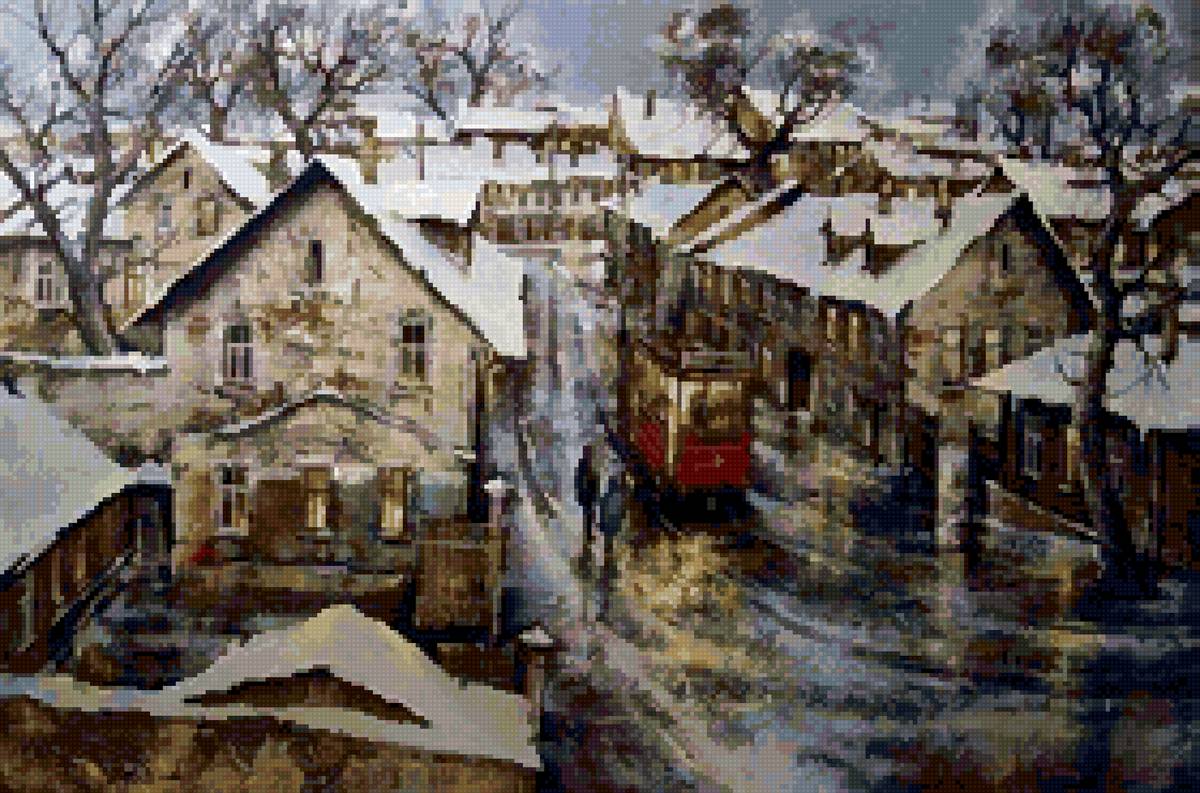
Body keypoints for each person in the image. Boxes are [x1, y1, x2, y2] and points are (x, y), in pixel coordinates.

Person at [574, 443, 599, 551]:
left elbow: (592, 478)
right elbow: (580, 480)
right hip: (586, 494)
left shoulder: (589, 464)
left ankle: (588, 536)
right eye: (588, 452)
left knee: (589, 515)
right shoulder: (583, 464)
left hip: (589, 493)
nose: (589, 454)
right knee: (588, 515)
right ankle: (588, 536)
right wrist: (580, 493)